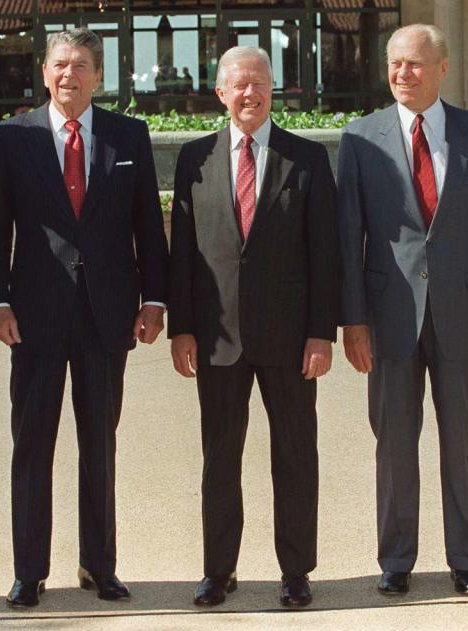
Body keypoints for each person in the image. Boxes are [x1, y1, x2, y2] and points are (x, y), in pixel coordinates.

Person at [0, 28, 168, 608]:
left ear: (97, 75)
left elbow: (147, 230)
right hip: (34, 316)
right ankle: (28, 570)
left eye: (81, 65)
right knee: (32, 444)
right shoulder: (13, 138)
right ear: (44, 72)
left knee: (100, 446)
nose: (70, 75)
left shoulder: (128, 135)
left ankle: (99, 565)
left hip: (107, 315)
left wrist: (155, 300)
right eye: (60, 64)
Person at [337, 24, 468, 596]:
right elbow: (349, 239)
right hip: (388, 319)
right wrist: (353, 321)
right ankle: (397, 561)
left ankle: (466, 558)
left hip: (465, 316)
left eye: (414, 63)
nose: (401, 74)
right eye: (394, 63)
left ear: (443, 68)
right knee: (393, 443)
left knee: (463, 440)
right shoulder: (360, 138)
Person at [167, 46, 338, 608]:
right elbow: (182, 258)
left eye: (259, 83)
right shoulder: (194, 160)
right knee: (220, 458)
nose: (250, 94)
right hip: (216, 340)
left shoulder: (307, 160)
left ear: (274, 89)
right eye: (238, 85)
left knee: (294, 455)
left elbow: (325, 256)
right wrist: (182, 328)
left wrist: (321, 333)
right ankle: (219, 570)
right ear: (220, 93)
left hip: (290, 341)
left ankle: (296, 570)